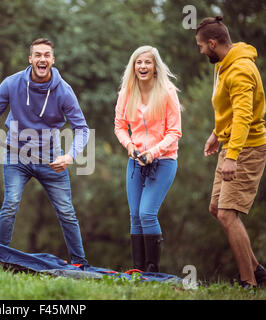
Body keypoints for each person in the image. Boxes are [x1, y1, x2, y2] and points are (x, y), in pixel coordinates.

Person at [0, 38, 89, 266]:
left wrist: (69, 157)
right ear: (30, 59)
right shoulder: (12, 84)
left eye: (46, 55)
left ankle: (80, 263)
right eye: (37, 55)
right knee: (10, 204)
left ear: (53, 60)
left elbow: (81, 129)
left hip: (51, 157)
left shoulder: (64, 92)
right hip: (15, 155)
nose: (42, 59)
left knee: (66, 211)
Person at [195, 16, 266, 289]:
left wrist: (233, 156)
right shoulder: (223, 65)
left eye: (202, 46)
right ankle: (258, 269)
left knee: (227, 214)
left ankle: (248, 282)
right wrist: (217, 133)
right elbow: (229, 109)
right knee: (216, 209)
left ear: (213, 43)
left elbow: (245, 117)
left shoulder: (240, 70)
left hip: (247, 147)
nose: (201, 51)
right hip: (231, 142)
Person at [114, 45, 182, 272]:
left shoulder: (167, 92)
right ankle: (138, 271)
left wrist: (153, 152)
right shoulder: (126, 92)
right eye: (138, 62)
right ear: (133, 66)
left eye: (148, 62)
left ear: (155, 67)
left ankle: (152, 270)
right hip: (135, 160)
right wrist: (130, 146)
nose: (143, 66)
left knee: (147, 213)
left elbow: (175, 132)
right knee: (134, 215)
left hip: (163, 161)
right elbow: (120, 127)